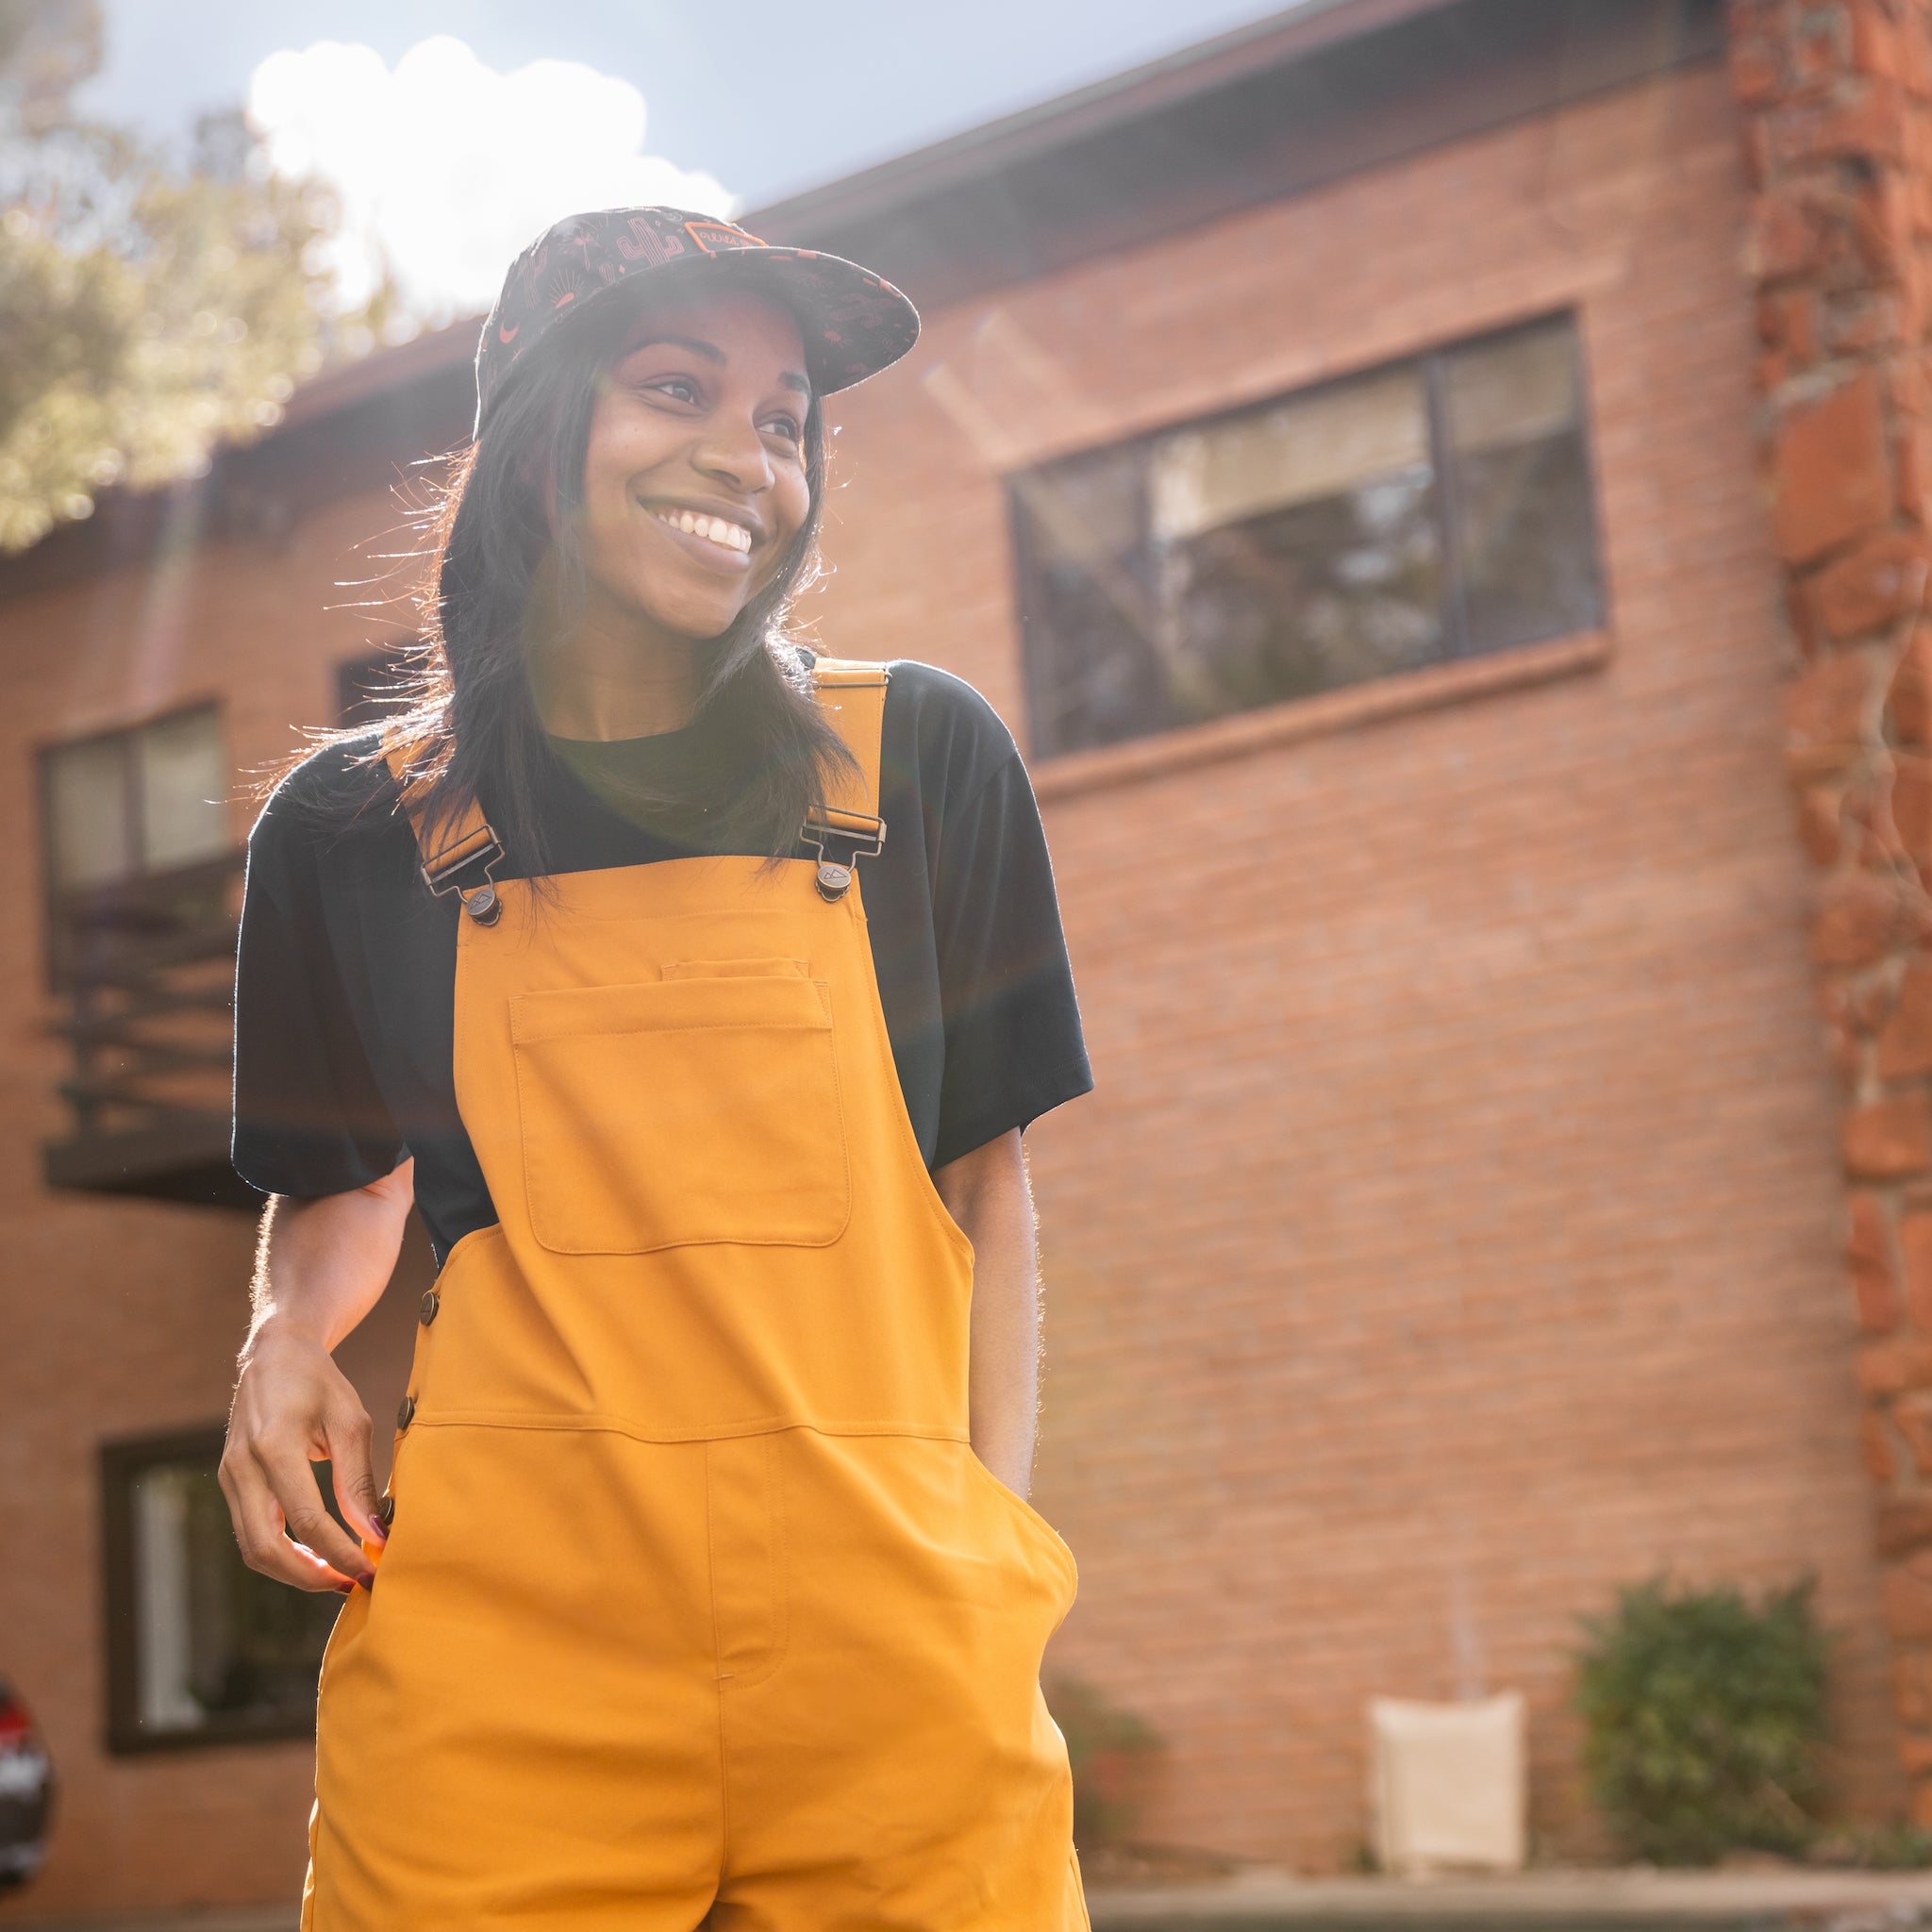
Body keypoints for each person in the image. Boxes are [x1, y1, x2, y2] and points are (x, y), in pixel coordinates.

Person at [220, 206, 1095, 1930]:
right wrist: (283, 1334)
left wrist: (986, 1555)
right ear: (544, 437)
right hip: (503, 1669)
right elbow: (344, 1185)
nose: (745, 457)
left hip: (894, 1665)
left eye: (784, 421)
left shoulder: (919, 760)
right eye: (675, 388)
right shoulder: (356, 827)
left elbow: (980, 1180)